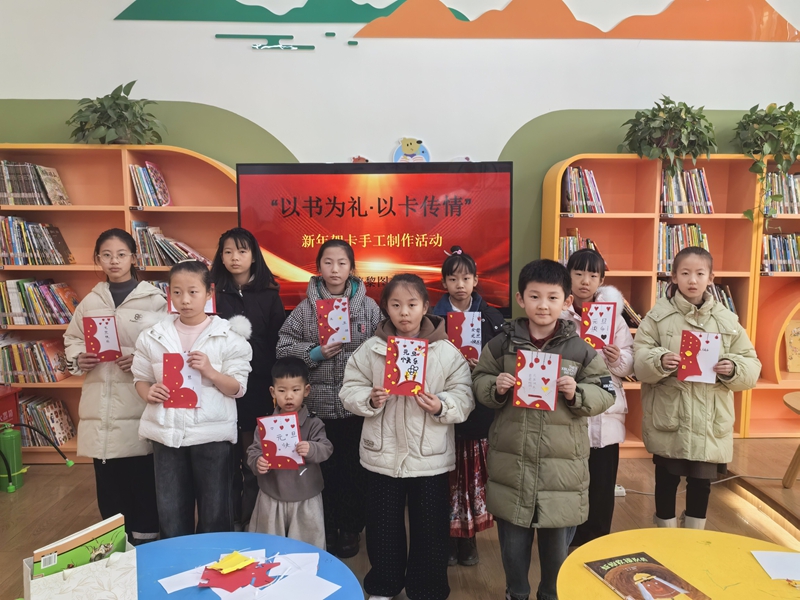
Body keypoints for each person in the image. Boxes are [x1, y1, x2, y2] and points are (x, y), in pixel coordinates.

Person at [472, 259, 615, 600]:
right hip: (513, 465)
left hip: (561, 472)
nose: (543, 305)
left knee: (556, 553)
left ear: (567, 301)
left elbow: (606, 391)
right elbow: (478, 380)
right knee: (513, 547)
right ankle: (516, 593)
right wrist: (496, 387)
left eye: (552, 298)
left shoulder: (580, 349)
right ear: (520, 299)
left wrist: (577, 393)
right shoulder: (502, 345)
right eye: (534, 296)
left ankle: (552, 594)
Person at [340, 274, 474, 600]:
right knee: (383, 526)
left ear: (425, 307)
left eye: (412, 304)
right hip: (382, 454)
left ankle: (427, 589)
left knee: (430, 528)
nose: (404, 312)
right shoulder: (371, 349)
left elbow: (464, 396)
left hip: (429, 456)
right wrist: (370, 399)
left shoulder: (445, 351)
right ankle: (383, 586)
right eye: (396, 305)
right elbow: (349, 389)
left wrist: (441, 405)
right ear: (386, 308)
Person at [634, 246, 760, 530]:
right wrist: (659, 360)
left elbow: (751, 364)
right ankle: (664, 531)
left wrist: (733, 368)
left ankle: (694, 535)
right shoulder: (658, 317)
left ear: (711, 278)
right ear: (673, 277)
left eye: (700, 274)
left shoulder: (727, 320)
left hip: (709, 420)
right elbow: (638, 359)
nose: (692, 280)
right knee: (666, 478)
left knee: (701, 482)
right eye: (685, 273)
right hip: (670, 414)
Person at [132, 260, 253, 538]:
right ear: (169, 294)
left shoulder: (228, 337)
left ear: (209, 292)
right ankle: (176, 560)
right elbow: (140, 377)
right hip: (167, 435)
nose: (184, 300)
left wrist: (211, 371)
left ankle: (214, 560)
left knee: (215, 512)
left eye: (193, 292)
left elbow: (238, 388)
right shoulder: (153, 335)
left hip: (212, 436)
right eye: (177, 292)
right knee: (171, 512)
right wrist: (147, 392)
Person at [277, 239, 381, 557]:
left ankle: (351, 529)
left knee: (355, 471)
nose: (335, 269)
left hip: (356, 408)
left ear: (352, 268)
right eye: (328, 262)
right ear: (318, 267)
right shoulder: (305, 309)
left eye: (342, 263)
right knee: (324, 473)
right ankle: (327, 528)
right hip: (318, 410)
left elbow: (384, 349)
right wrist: (314, 353)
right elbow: (282, 347)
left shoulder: (369, 308)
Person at [64, 228, 166, 544]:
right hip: (101, 406)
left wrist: (140, 359)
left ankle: (146, 542)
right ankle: (114, 545)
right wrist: (78, 357)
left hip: (138, 401)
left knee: (142, 478)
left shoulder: (154, 300)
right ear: (98, 259)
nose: (114, 261)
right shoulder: (90, 301)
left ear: (134, 257)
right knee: (108, 481)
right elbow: (72, 339)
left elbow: (168, 346)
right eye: (106, 255)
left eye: (121, 254)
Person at [431, 245, 504, 567]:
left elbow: (504, 363)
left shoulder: (493, 318)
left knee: (471, 480)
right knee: (445, 480)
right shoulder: (431, 319)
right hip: (442, 411)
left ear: (476, 280)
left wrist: (483, 367)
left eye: (466, 278)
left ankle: (469, 538)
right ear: (444, 283)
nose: (459, 285)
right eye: (452, 279)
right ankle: (445, 539)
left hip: (478, 411)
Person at [211, 227, 286, 531]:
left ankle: (253, 522)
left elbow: (279, 342)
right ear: (221, 256)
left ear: (253, 256)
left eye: (242, 251)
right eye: (228, 251)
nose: (235, 258)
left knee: (255, 458)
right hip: (219, 386)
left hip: (258, 388)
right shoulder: (211, 294)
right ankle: (228, 522)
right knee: (225, 463)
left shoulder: (269, 295)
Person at [561, 248, 634, 546]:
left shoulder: (614, 317)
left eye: (593, 275)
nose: (585, 281)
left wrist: (617, 358)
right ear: (568, 276)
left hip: (606, 413)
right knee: (571, 479)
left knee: (602, 482)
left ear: (601, 280)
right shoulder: (559, 313)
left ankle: (598, 539)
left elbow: (629, 363)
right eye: (578, 273)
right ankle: (569, 538)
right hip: (570, 409)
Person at [247, 357, 333, 548]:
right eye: (282, 390)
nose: (288, 397)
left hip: (306, 496)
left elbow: (326, 448)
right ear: (273, 392)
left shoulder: (313, 423)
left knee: (307, 547)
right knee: (267, 546)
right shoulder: (266, 424)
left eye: (295, 390)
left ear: (306, 390)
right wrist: (258, 461)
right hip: (272, 493)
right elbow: (253, 450)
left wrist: (311, 448)